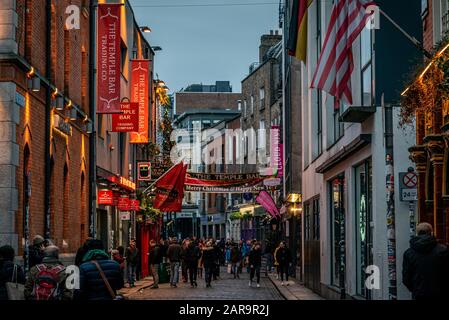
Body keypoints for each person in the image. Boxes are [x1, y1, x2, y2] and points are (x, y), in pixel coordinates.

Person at [402, 223, 449, 300]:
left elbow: (406, 278)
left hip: (419, 294)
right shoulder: (442, 251)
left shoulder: (409, 253)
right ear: (431, 233)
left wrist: (415, 288)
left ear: (417, 233)